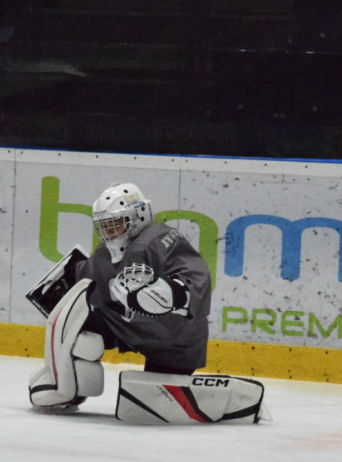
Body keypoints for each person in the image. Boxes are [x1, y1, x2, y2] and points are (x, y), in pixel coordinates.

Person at [26, 182, 266, 424]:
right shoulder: (121, 246)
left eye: (115, 223)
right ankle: (71, 389)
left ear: (138, 216)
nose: (109, 231)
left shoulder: (151, 242)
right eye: (105, 225)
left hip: (171, 337)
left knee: (153, 399)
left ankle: (67, 389)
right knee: (81, 328)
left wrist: (173, 293)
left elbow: (194, 279)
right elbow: (96, 272)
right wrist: (70, 276)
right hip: (142, 329)